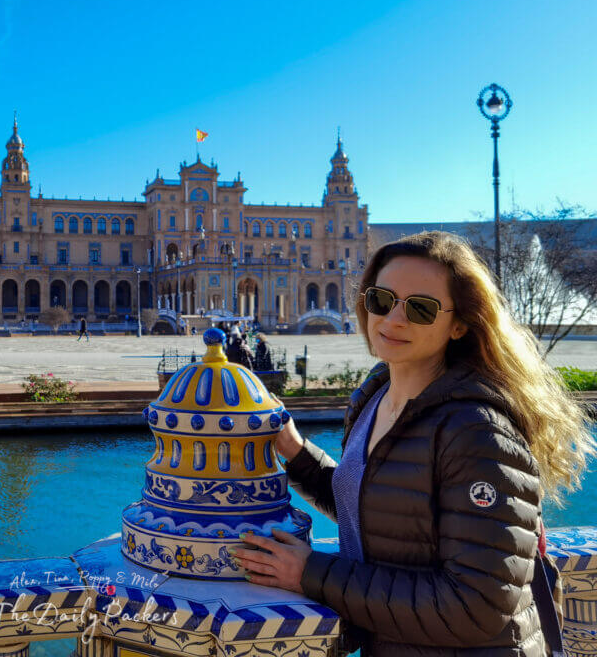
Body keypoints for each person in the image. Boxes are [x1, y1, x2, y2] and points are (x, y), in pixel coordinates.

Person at [231, 231, 593, 656]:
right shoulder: (374, 398)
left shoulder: (476, 431)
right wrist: (294, 450)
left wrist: (311, 572)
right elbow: (378, 512)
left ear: (459, 324)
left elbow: (476, 606)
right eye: (381, 300)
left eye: (420, 308)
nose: (394, 319)